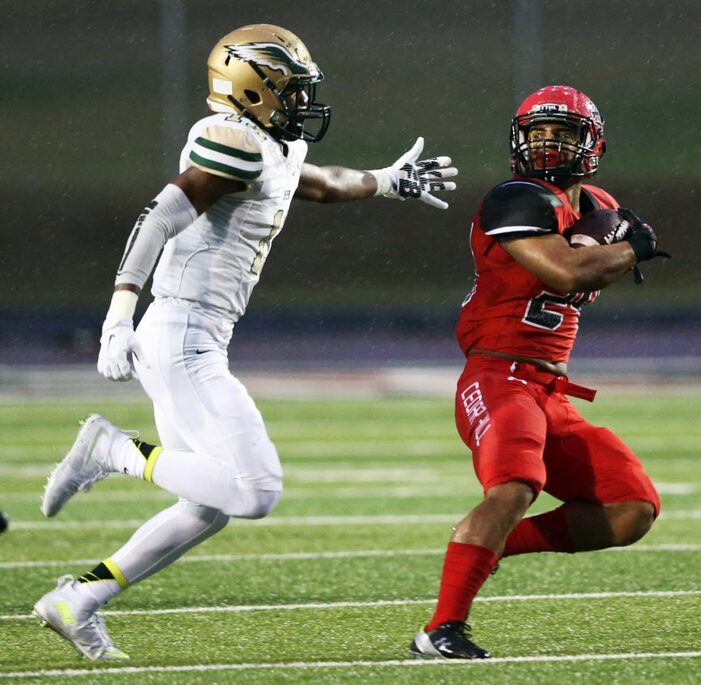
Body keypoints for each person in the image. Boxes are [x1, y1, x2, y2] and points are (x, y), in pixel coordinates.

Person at [33, 23, 457, 661]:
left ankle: (77, 600)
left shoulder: (268, 146)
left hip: (198, 335)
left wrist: (388, 180)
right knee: (256, 491)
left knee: (207, 506)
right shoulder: (229, 139)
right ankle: (111, 449)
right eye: (289, 90)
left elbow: (321, 182)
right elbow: (159, 217)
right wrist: (118, 312)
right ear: (250, 92)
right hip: (181, 333)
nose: (302, 102)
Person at [409, 85, 666, 659]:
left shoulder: (596, 203)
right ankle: (441, 630)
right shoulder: (515, 198)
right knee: (514, 486)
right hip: (497, 376)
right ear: (518, 140)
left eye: (564, 133)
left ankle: (490, 546)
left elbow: (592, 261)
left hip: (552, 388)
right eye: (538, 132)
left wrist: (616, 248)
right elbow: (568, 272)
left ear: (591, 143)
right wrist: (631, 250)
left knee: (631, 508)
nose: (548, 144)